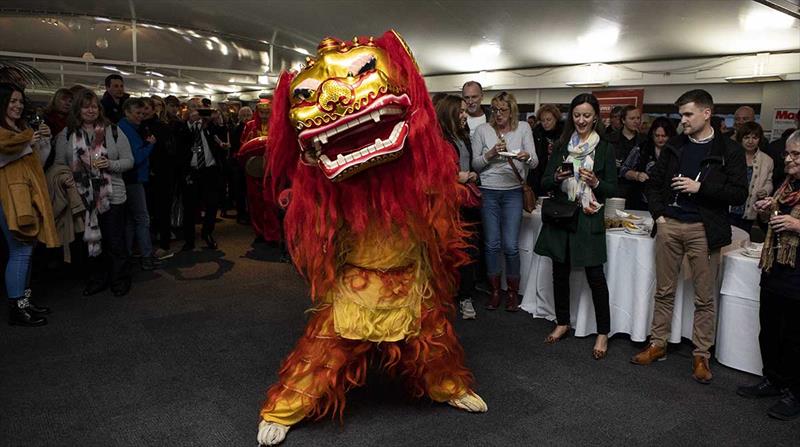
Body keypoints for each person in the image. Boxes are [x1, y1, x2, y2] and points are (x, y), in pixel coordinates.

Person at [631, 89, 748, 384]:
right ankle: (658, 344)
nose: (682, 120)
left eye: (687, 114)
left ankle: (701, 355)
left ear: (706, 113)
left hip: (704, 229)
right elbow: (654, 183)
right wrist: (659, 215)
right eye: (681, 114)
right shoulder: (675, 145)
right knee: (663, 290)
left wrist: (700, 189)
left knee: (704, 297)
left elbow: (738, 193)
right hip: (670, 225)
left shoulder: (729, 150)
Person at [534, 93, 617, 360]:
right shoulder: (561, 146)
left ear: (596, 118)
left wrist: (595, 183)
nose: (581, 120)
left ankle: (603, 332)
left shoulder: (604, 148)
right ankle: (562, 322)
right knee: (560, 272)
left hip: (588, 217)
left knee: (595, 277)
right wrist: (556, 177)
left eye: (587, 115)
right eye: (577, 115)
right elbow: (544, 182)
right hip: (562, 215)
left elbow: (612, 188)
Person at [738, 130, 800, 421]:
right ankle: (773, 380)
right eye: (788, 153)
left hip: (797, 275)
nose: (788, 159)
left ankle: (795, 394)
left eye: (796, 154)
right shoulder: (786, 184)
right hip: (775, 268)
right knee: (771, 330)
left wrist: (796, 225)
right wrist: (767, 209)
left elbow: (791, 224)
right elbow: (772, 223)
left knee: (796, 338)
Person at [54, 88, 134, 297]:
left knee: (115, 240)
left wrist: (110, 164)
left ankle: (120, 279)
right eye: (85, 106)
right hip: (83, 197)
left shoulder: (113, 130)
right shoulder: (67, 134)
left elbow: (129, 161)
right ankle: (97, 279)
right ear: (77, 109)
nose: (90, 110)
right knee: (90, 241)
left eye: (94, 106)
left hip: (113, 194)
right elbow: (59, 165)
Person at [471, 91, 537, 311]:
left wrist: (526, 157)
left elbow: (535, 162)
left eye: (503, 110)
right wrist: (490, 154)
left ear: (512, 111)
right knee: (491, 244)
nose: (498, 114)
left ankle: (511, 292)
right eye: (495, 110)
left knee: (510, 245)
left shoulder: (523, 128)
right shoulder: (482, 130)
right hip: (488, 191)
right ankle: (495, 291)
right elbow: (476, 165)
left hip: (513, 191)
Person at [0, 82, 59, 326]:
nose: (17, 105)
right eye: (12, 101)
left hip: (28, 193)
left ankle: (24, 302)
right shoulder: (8, 132)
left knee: (27, 251)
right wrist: (27, 141)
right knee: (20, 250)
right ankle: (17, 308)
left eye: (20, 102)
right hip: (7, 198)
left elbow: (37, 162)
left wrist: (43, 142)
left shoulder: (22, 128)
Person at [436, 94, 479, 320]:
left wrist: (470, 175)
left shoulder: (464, 135)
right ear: (449, 113)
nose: (465, 115)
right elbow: (429, 174)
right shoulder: (436, 139)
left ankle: (466, 297)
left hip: (466, 202)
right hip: (445, 204)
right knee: (445, 251)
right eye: (461, 111)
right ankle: (443, 297)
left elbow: (467, 162)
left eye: (465, 111)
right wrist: (455, 177)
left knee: (468, 249)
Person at [118, 97, 158, 269]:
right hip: (132, 178)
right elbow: (135, 158)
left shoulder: (130, 128)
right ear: (127, 112)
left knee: (130, 220)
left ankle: (128, 256)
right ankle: (146, 257)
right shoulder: (126, 129)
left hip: (130, 178)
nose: (140, 116)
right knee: (142, 218)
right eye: (137, 113)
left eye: (143, 113)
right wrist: (150, 146)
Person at [177, 102, 225, 251]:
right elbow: (182, 141)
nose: (197, 111)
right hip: (192, 171)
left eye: (200, 108)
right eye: (194, 108)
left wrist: (217, 120)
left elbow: (221, 136)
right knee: (190, 207)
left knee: (212, 205)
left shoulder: (209, 125)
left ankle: (207, 233)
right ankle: (189, 240)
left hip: (209, 170)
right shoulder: (182, 126)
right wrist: (191, 123)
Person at [144, 96, 178, 257]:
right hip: (148, 175)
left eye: (147, 108)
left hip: (162, 175)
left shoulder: (161, 127)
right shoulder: (141, 126)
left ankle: (164, 245)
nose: (143, 111)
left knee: (162, 210)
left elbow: (170, 152)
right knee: (149, 211)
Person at [620, 117, 677, 210]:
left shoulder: (677, 151)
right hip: (642, 200)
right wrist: (637, 175)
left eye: (664, 136)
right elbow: (623, 170)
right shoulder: (642, 149)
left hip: (667, 201)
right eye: (657, 135)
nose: (660, 139)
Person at [729, 121, 773, 233]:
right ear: (740, 138)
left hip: (749, 208)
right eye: (746, 137)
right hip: (729, 207)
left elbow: (769, 182)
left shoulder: (767, 160)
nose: (750, 141)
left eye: (755, 137)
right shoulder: (732, 155)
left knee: (743, 240)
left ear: (759, 139)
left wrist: (765, 191)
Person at [609, 105, 645, 203]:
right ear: (623, 120)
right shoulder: (609, 139)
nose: (636, 121)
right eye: (632, 118)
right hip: (616, 190)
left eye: (638, 118)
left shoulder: (644, 141)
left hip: (637, 191)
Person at [530, 104, 563, 196]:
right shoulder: (537, 133)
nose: (545, 123)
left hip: (558, 174)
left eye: (549, 120)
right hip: (540, 174)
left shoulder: (564, 134)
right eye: (543, 120)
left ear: (556, 119)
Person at [230, 106, 252, 224]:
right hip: (240, 163)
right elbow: (235, 145)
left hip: (252, 163)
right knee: (240, 190)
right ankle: (241, 213)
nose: (246, 118)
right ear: (239, 117)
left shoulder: (253, 127)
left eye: (248, 115)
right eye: (243, 116)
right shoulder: (237, 129)